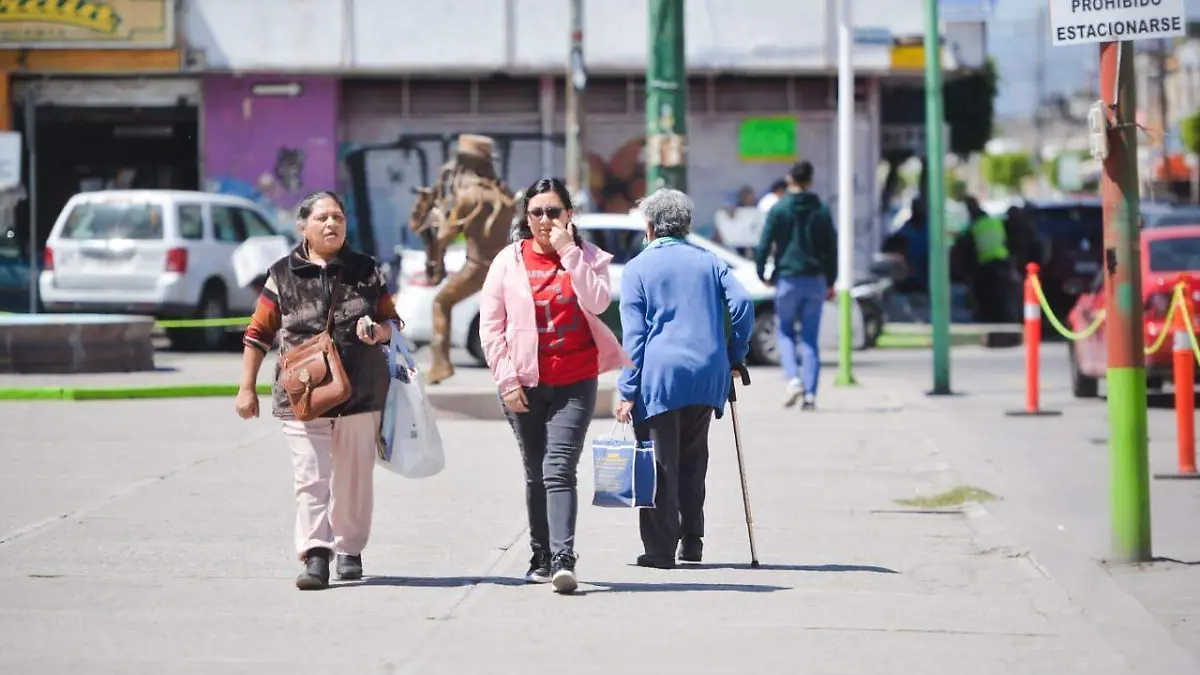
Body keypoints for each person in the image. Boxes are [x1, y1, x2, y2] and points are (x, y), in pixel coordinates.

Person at [235, 191, 402, 591]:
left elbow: (392, 323)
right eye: (323, 218)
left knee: (353, 479)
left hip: (360, 393)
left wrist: (376, 331)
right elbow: (258, 333)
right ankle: (315, 555)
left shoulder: (366, 270)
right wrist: (247, 389)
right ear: (303, 226)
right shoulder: (282, 273)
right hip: (301, 396)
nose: (332, 224)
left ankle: (349, 549)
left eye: (339, 218)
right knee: (311, 478)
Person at [478, 177, 630, 594]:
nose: (545, 220)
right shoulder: (507, 261)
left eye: (553, 212)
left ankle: (564, 556)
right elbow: (491, 329)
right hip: (522, 384)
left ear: (569, 215)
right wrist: (507, 380)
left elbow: (599, 302)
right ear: (526, 219)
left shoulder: (588, 257)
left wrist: (569, 252)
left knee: (558, 468)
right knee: (535, 473)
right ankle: (540, 553)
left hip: (574, 382)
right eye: (536, 213)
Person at [615, 188, 755, 569]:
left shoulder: (638, 268)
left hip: (660, 377)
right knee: (694, 458)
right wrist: (735, 354)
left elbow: (635, 336)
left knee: (661, 462)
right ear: (686, 225)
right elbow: (742, 304)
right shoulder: (709, 261)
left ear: (650, 226)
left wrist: (627, 390)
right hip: (707, 374)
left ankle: (660, 549)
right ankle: (692, 540)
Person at [754, 160, 838, 410]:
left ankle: (793, 379)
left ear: (789, 179)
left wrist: (763, 272)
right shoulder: (821, 210)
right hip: (815, 281)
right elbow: (831, 249)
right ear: (811, 181)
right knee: (810, 339)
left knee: (786, 332)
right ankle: (811, 395)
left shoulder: (779, 209)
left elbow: (764, 243)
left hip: (787, 279)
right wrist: (830, 280)